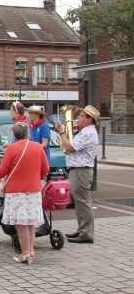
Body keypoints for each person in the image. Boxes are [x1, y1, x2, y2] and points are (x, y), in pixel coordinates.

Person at [0, 121, 49, 264]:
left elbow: (3, 169)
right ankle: (30, 251)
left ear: (14, 134)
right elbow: (45, 170)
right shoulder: (38, 147)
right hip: (34, 189)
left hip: (16, 190)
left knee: (21, 223)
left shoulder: (11, 148)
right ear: (28, 133)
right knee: (30, 222)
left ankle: (25, 253)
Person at [55, 105, 99, 244]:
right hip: (78, 170)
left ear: (89, 119)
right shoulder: (85, 132)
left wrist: (62, 132)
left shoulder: (87, 133)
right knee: (80, 203)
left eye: (81, 116)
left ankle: (86, 233)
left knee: (83, 203)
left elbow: (68, 147)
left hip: (81, 170)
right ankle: (82, 230)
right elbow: (70, 149)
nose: (77, 119)